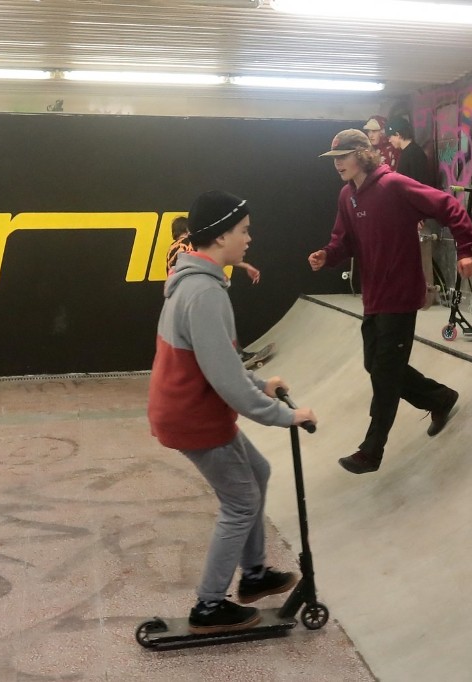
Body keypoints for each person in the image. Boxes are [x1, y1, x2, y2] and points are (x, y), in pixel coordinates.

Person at [148, 190, 317, 634]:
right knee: (241, 503)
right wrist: (285, 416)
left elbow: (218, 361)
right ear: (221, 235)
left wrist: (262, 384)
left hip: (192, 406)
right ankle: (209, 605)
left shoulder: (199, 282)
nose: (249, 238)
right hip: (192, 414)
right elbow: (225, 382)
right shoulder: (203, 294)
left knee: (256, 472)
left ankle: (256, 575)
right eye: (243, 231)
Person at [308, 129, 472, 475]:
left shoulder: (394, 186)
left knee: (384, 374)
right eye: (334, 159)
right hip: (374, 295)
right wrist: (327, 255)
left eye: (343, 157)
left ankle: (371, 451)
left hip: (400, 294)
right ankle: (438, 398)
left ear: (362, 155)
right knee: (376, 364)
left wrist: (466, 249)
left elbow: (448, 205)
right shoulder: (347, 196)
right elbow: (344, 240)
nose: (338, 164)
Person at [167, 216, 261, 283]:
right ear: (188, 229)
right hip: (195, 288)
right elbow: (212, 257)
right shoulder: (190, 242)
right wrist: (246, 266)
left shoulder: (170, 249)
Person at [387, 117, 435, 186]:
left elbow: (418, 184)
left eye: (390, 137)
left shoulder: (413, 153)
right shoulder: (409, 151)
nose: (389, 140)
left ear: (398, 135)